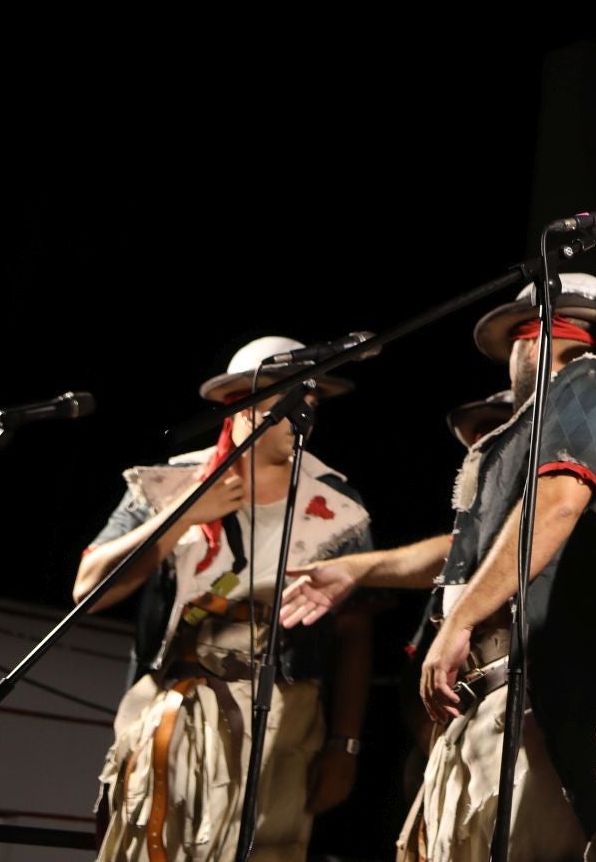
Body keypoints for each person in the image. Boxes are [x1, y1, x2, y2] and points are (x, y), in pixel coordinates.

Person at [277, 275, 596, 861]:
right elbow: (462, 557)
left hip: (536, 696)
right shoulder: (525, 429)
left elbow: (560, 501)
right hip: (486, 701)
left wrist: (458, 622)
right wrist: (354, 570)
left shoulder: (594, 381)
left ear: (532, 342)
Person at [81, 335, 374, 861]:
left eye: (313, 397)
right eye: (290, 395)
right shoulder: (169, 485)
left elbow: (354, 629)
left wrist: (344, 744)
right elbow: (89, 588)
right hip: (175, 707)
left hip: (283, 716)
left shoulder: (338, 504)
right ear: (239, 401)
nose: (306, 408)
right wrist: (182, 515)